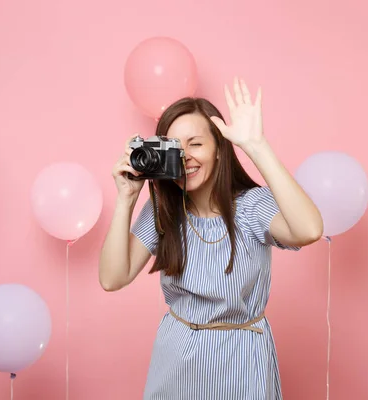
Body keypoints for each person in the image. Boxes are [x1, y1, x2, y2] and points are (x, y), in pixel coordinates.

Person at [99, 77, 324, 399]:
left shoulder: (250, 206)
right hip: (175, 359)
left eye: (196, 143)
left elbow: (309, 230)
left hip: (240, 360)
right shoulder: (165, 209)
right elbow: (112, 278)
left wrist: (256, 146)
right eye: (175, 148)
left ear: (220, 149)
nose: (186, 156)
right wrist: (126, 199)